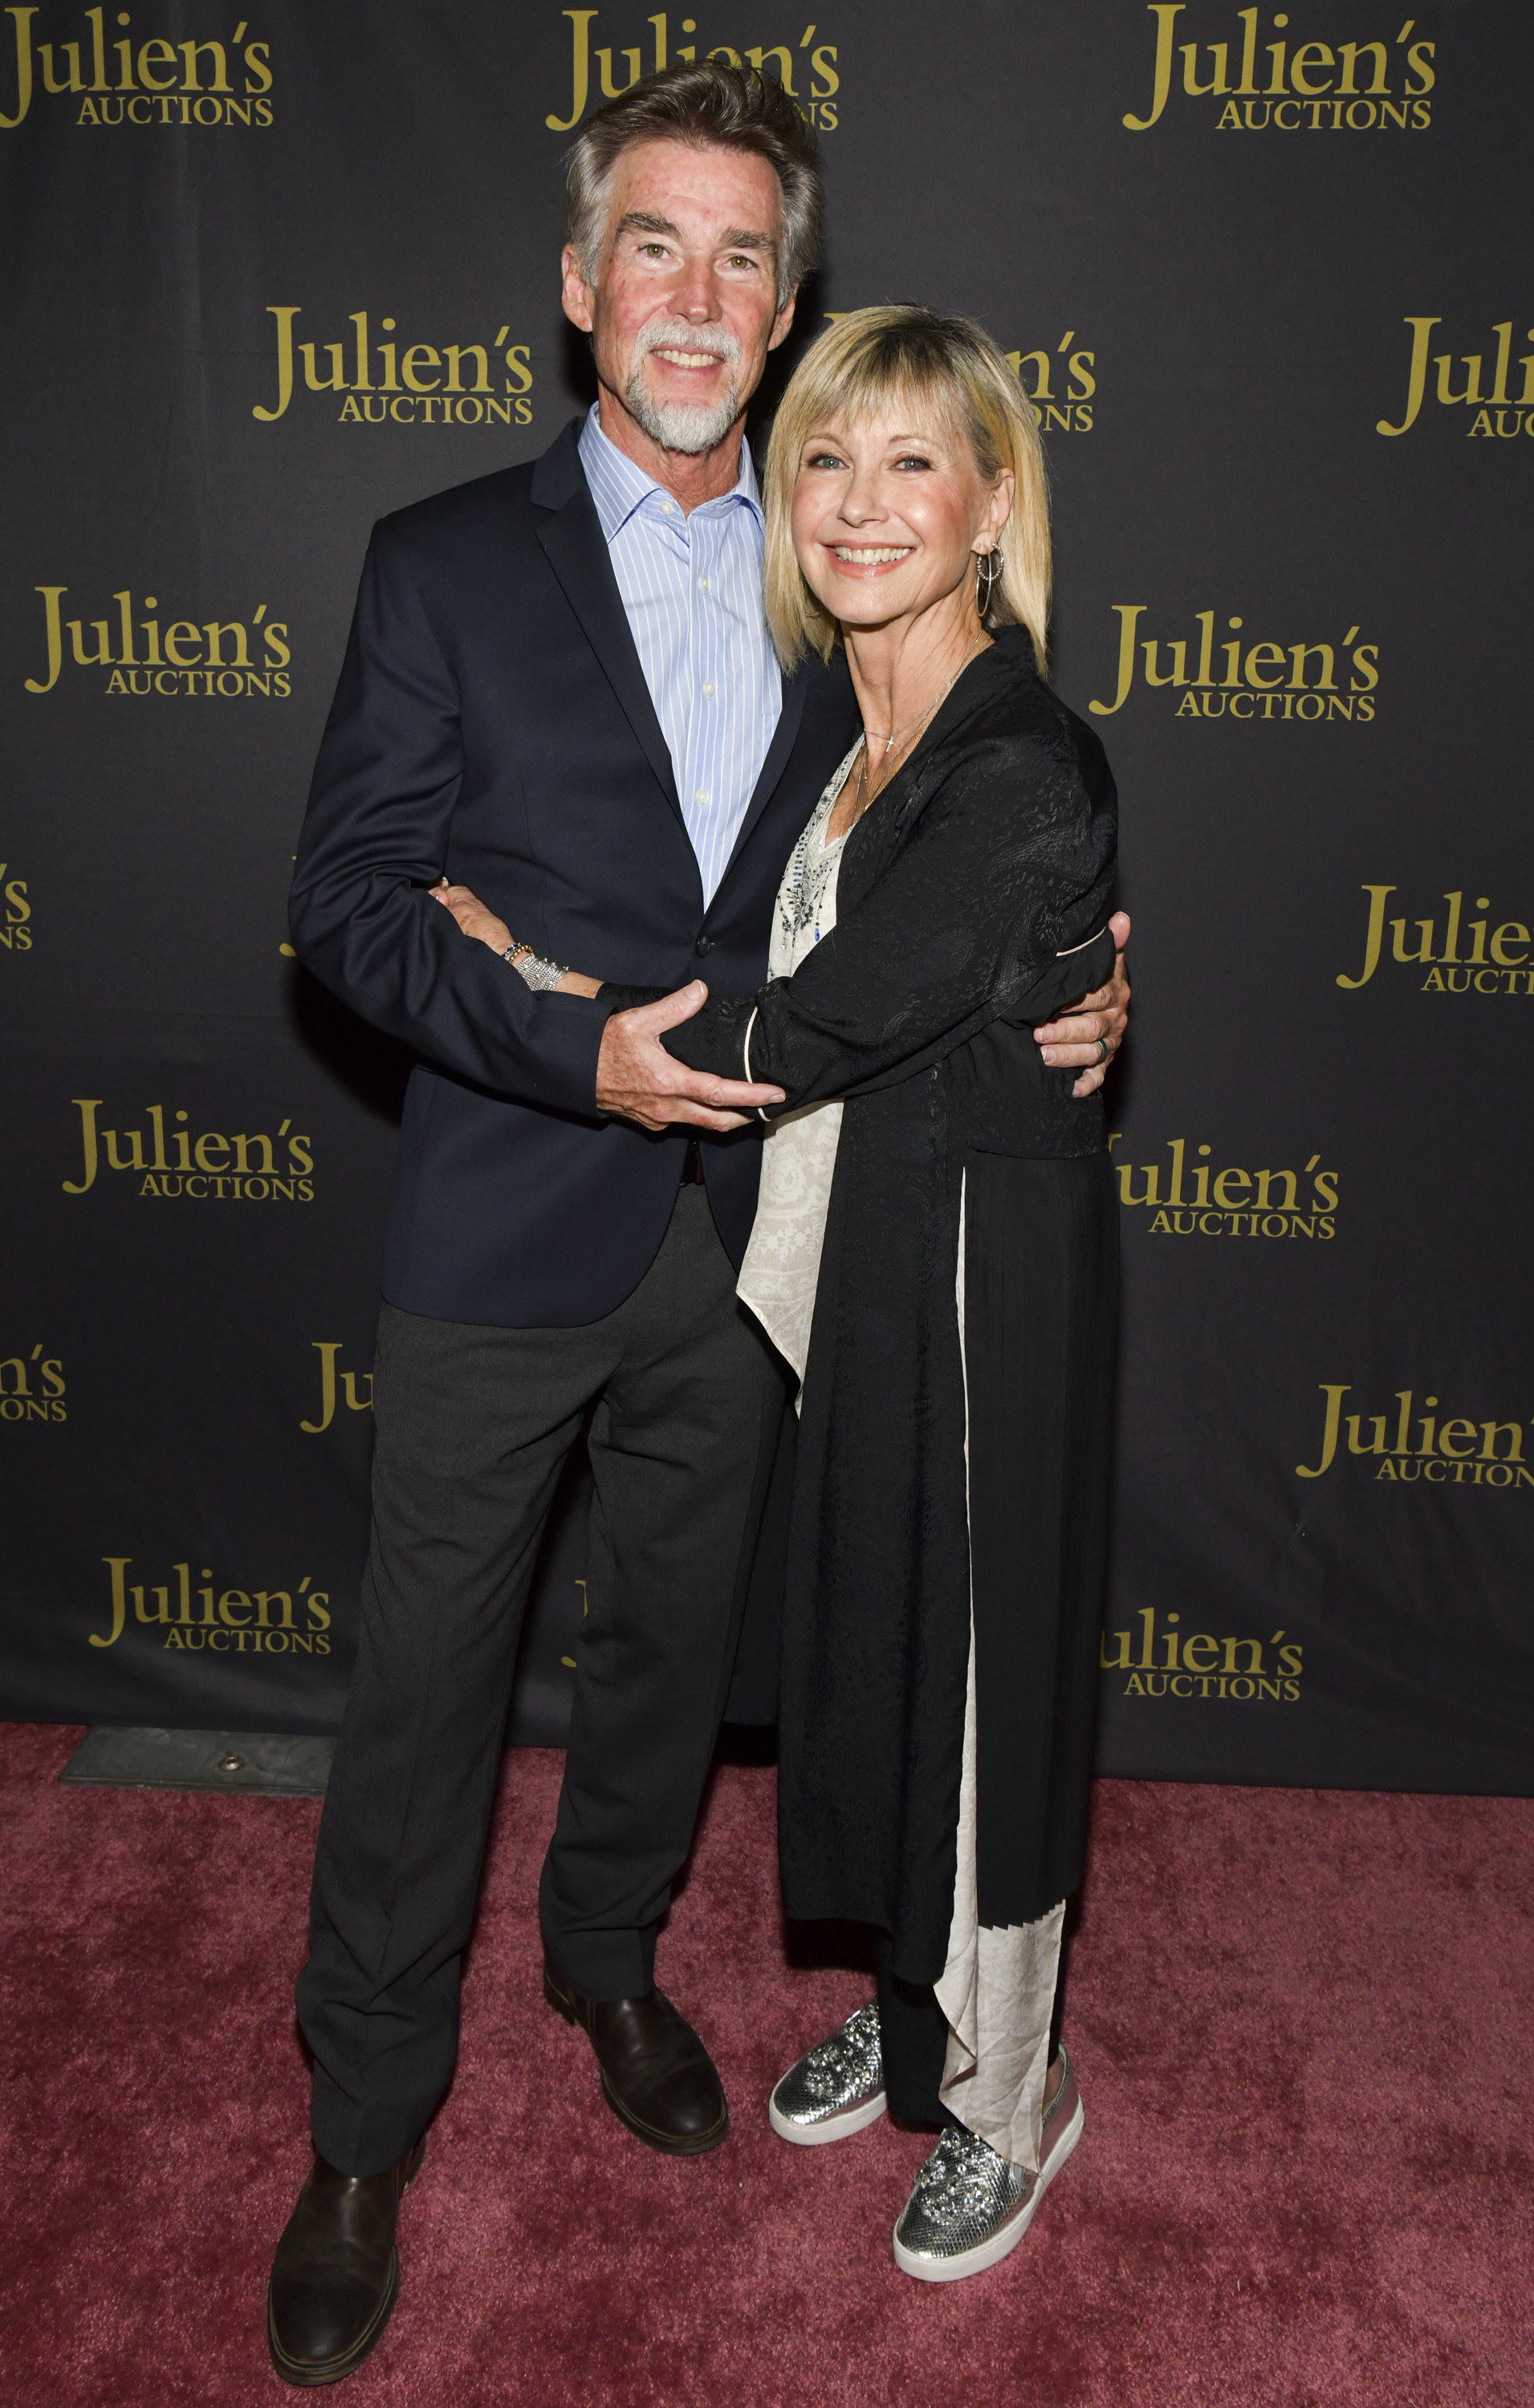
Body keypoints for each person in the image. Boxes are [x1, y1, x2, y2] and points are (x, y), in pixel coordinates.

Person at [273, 64, 1129, 2386]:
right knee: (428, 1690)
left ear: (786, 307)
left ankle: (613, 1961)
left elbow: (962, 824)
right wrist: (563, 1036)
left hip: (756, 1247)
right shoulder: (439, 562)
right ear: (578, 286)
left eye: (747, 254)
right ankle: (362, 2127)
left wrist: (1080, 956)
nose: (699, 292)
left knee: (670, 1656)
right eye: (655, 241)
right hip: (500, 1219)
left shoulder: (835, 565)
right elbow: (342, 908)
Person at [437, 303, 1121, 2283]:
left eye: (914, 461)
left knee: (975, 1692)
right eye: (822, 458)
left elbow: (811, 1020)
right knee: (881, 1665)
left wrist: (539, 990)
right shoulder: (852, 729)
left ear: (994, 504)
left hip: (986, 1292)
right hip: (861, 1287)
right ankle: (917, 2017)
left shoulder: (1016, 759)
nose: (858, 502)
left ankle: (1014, 2089)